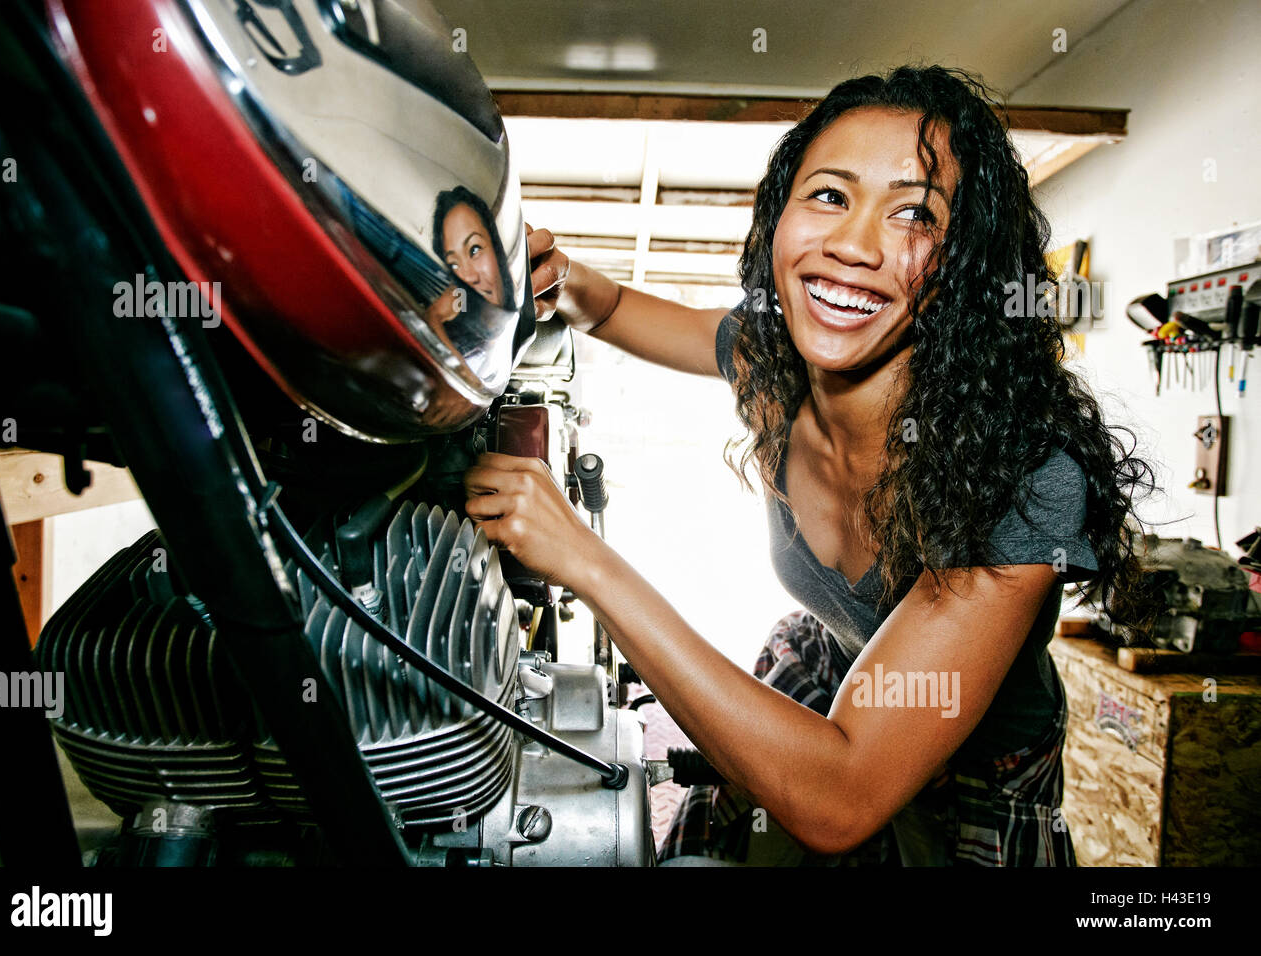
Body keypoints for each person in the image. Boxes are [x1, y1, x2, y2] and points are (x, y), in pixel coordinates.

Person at [463, 64, 1156, 865]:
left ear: (964, 266)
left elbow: (842, 795)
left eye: (913, 214)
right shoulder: (768, 360)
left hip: (971, 786)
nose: (852, 245)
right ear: (778, 217)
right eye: (830, 195)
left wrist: (585, 559)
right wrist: (551, 281)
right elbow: (610, 306)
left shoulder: (1029, 480)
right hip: (831, 675)